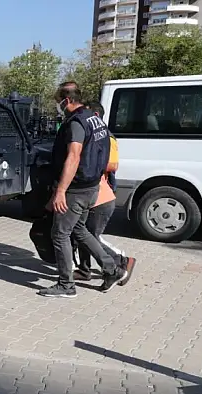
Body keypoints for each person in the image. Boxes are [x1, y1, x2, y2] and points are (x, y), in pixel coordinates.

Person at [40, 82, 127, 298]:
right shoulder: (95, 119)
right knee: (79, 230)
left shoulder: (77, 123)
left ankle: (66, 285)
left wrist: (61, 191)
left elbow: (74, 156)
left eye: (58, 101)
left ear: (67, 100)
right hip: (92, 187)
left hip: (76, 189)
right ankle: (112, 270)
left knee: (60, 234)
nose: (58, 106)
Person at [73, 102, 136, 284]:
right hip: (92, 195)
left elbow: (112, 164)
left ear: (95, 115)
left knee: (89, 237)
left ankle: (120, 261)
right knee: (82, 233)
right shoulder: (92, 135)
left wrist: (88, 163)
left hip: (100, 196)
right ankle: (84, 269)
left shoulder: (106, 137)